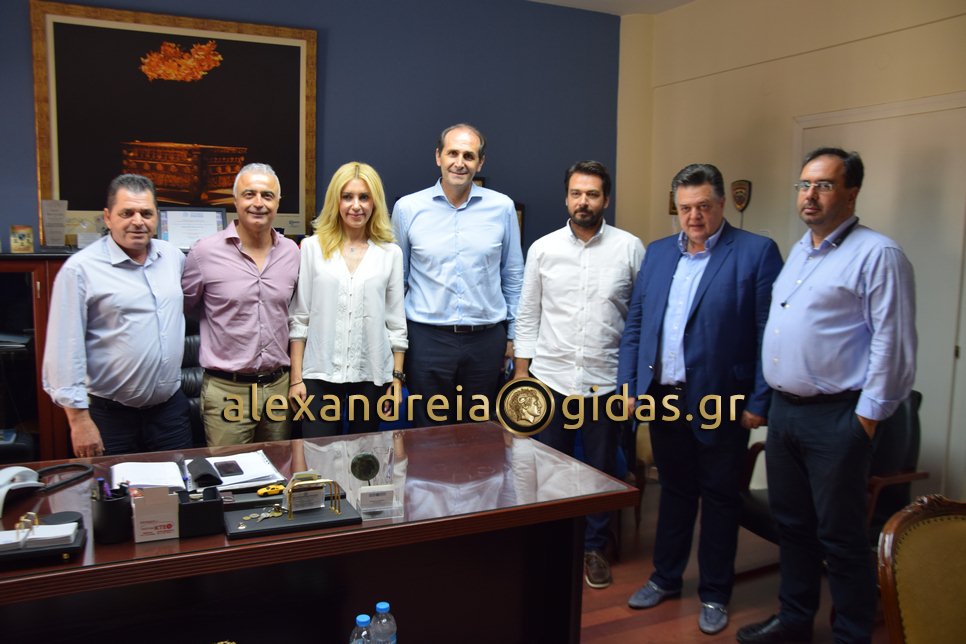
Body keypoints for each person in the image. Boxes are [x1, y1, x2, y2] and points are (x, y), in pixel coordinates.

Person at [737, 148, 916, 644]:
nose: (810, 195)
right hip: (786, 414)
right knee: (793, 526)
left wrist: (865, 422)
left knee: (840, 536)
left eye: (824, 185)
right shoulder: (801, 251)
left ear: (851, 193)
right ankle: (794, 620)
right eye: (804, 185)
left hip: (838, 418)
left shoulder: (877, 254)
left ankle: (851, 634)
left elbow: (893, 344)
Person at [618, 163, 782, 634]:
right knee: (674, 492)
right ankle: (665, 578)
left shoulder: (756, 252)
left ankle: (714, 593)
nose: (694, 216)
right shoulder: (658, 253)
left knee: (720, 499)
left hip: (722, 401)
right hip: (663, 398)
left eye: (704, 206)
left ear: (721, 204)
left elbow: (769, 333)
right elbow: (636, 325)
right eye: (685, 208)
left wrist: (759, 401)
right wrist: (630, 387)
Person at [513, 160, 644, 589]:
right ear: (566, 197)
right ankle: (556, 545)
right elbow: (528, 315)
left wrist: (632, 384)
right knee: (549, 468)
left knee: (602, 470)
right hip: (550, 379)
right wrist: (522, 376)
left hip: (605, 383)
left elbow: (639, 320)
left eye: (591, 194)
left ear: (606, 199)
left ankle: (593, 548)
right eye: (576, 193)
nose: (583, 201)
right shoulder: (543, 249)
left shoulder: (630, 249)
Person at [42, 174, 192, 457]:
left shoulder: (172, 257)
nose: (138, 221)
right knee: (114, 486)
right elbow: (64, 351)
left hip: (169, 413)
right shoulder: (80, 269)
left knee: (180, 483)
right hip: (111, 418)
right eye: (127, 213)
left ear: (157, 217)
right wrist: (79, 421)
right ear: (108, 217)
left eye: (146, 213)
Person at [391, 123, 524, 427]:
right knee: (427, 434)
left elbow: (514, 276)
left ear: (481, 162)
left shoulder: (502, 207)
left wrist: (513, 336)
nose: (459, 162)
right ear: (438, 156)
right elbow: (397, 281)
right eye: (452, 153)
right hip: (426, 340)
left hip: (486, 341)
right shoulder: (407, 208)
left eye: (469, 155)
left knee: (479, 434)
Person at [182, 163, 300, 446]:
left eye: (267, 195)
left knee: (277, 467)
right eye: (249, 194)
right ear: (235, 200)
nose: (258, 203)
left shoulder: (292, 253)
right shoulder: (204, 253)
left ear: (277, 203)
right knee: (230, 471)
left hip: (277, 388)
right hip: (227, 390)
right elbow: (188, 308)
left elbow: (294, 313)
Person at [288, 162, 407, 436]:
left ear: (375, 202)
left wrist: (396, 379)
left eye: (364, 197)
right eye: (347, 197)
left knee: (363, 455)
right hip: (319, 373)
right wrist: (296, 379)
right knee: (317, 453)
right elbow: (300, 318)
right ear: (336, 201)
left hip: (371, 373)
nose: (356, 206)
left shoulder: (390, 254)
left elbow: (396, 324)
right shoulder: (311, 248)